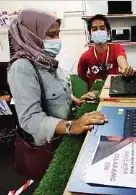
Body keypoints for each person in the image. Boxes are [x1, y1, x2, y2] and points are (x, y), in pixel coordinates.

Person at [8, 10, 107, 147]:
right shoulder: (22, 68)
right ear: (32, 35)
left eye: (58, 34)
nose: (57, 40)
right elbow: (30, 119)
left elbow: (52, 92)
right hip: (48, 143)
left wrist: (75, 100)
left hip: (65, 135)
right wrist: (71, 126)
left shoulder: (47, 61)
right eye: (51, 35)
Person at [77, 14, 134, 89]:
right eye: (94, 29)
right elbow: (81, 74)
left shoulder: (117, 48)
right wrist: (91, 82)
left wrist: (125, 69)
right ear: (90, 34)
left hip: (114, 89)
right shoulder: (85, 56)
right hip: (96, 92)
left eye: (102, 28)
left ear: (108, 32)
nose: (98, 31)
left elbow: (121, 60)